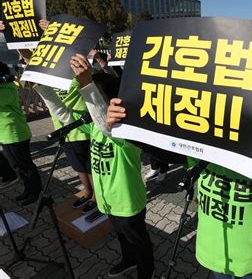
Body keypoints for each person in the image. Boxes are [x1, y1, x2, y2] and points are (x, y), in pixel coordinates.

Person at [106, 99, 252, 279]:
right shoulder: (206, 141)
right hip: (212, 249)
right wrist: (126, 127)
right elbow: (164, 150)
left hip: (247, 254)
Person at [35, 54, 154, 279]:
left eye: (97, 98)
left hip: (128, 202)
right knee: (121, 236)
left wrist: (87, 84)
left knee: (139, 240)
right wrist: (42, 88)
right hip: (108, 200)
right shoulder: (95, 127)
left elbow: (106, 124)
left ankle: (146, 273)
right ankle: (128, 261)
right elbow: (66, 117)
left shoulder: (125, 133)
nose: (91, 104)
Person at [37, 19, 97, 213]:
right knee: (77, 165)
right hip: (63, 128)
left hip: (83, 125)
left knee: (89, 166)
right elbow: (33, 59)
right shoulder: (50, 70)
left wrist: (53, 31)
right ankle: (87, 192)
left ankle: (96, 197)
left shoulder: (76, 68)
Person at [0, 62, 42, 205]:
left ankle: (36, 192)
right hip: (4, 134)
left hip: (15, 133)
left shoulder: (8, 88)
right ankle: (28, 189)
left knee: (26, 165)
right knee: (17, 165)